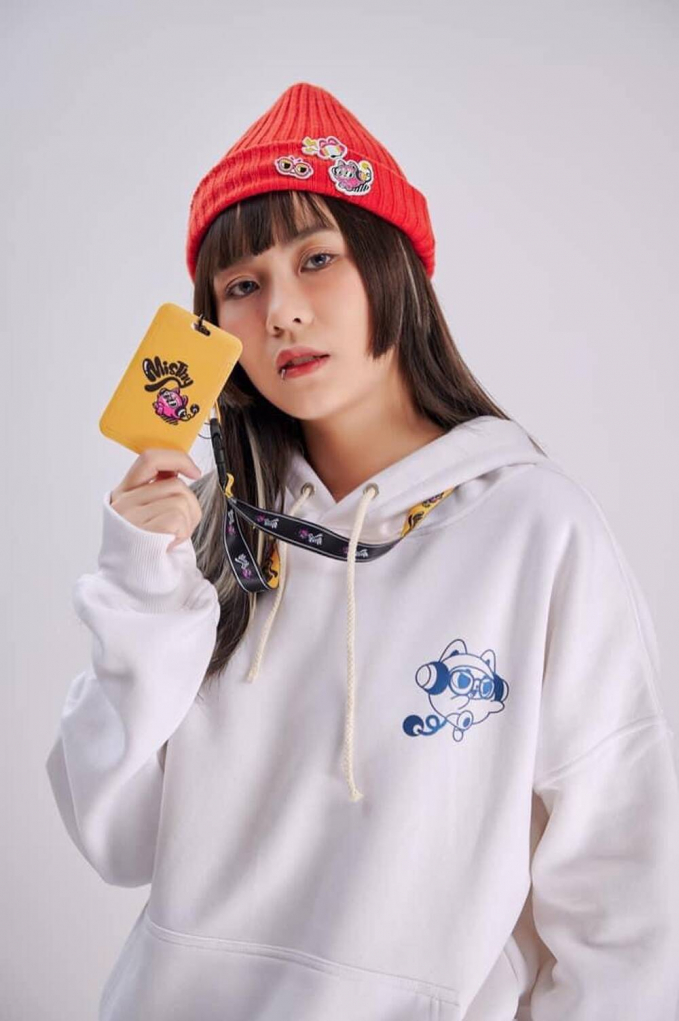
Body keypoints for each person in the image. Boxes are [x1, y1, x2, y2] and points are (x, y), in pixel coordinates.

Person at [45, 81, 679, 1021]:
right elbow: (116, 839)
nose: (281, 313)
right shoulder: (205, 533)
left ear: (394, 269)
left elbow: (621, 888)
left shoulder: (536, 529)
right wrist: (142, 583)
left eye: (317, 259)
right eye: (242, 286)